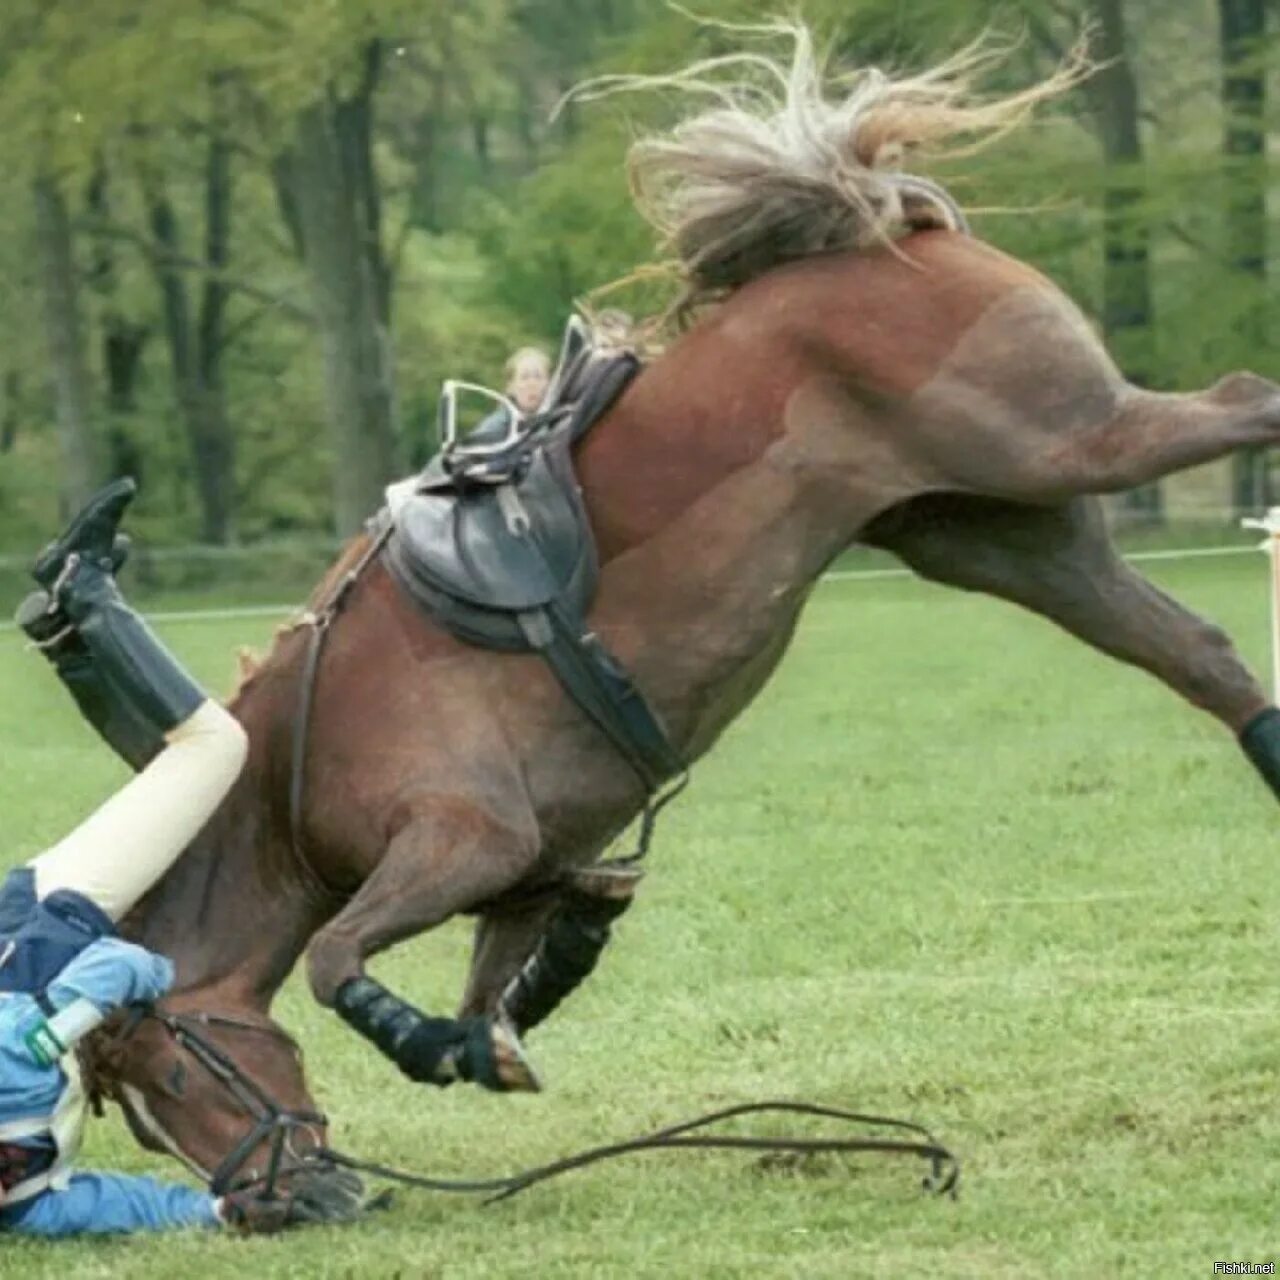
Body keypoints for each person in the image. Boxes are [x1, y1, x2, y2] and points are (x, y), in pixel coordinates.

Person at [0, 478, 302, 1236]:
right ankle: (70, 637)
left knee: (212, 750)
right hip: (35, 928)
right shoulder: (24, 1207)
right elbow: (95, 1204)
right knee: (193, 779)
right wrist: (213, 1211)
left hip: (50, 924)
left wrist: (162, 973)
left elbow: (108, 977)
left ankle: (87, 590)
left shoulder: (18, 1056)